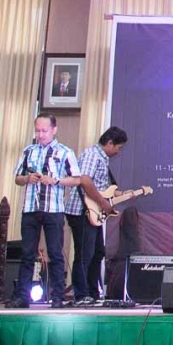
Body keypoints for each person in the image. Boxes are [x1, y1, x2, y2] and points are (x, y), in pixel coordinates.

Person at [8, 114, 81, 308]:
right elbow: (17, 178)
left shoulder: (65, 152)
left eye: (44, 131)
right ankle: (22, 297)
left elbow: (76, 179)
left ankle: (57, 297)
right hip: (30, 208)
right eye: (37, 130)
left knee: (55, 253)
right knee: (27, 254)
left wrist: (55, 180)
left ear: (54, 130)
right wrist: (27, 178)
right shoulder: (28, 151)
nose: (40, 135)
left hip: (53, 209)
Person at [64, 126, 132, 306]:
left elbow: (100, 187)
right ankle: (81, 294)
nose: (118, 152)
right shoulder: (92, 155)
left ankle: (93, 293)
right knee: (85, 254)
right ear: (109, 143)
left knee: (97, 252)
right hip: (82, 211)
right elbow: (85, 181)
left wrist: (120, 194)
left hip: (93, 212)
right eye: (118, 147)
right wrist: (103, 203)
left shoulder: (102, 158)